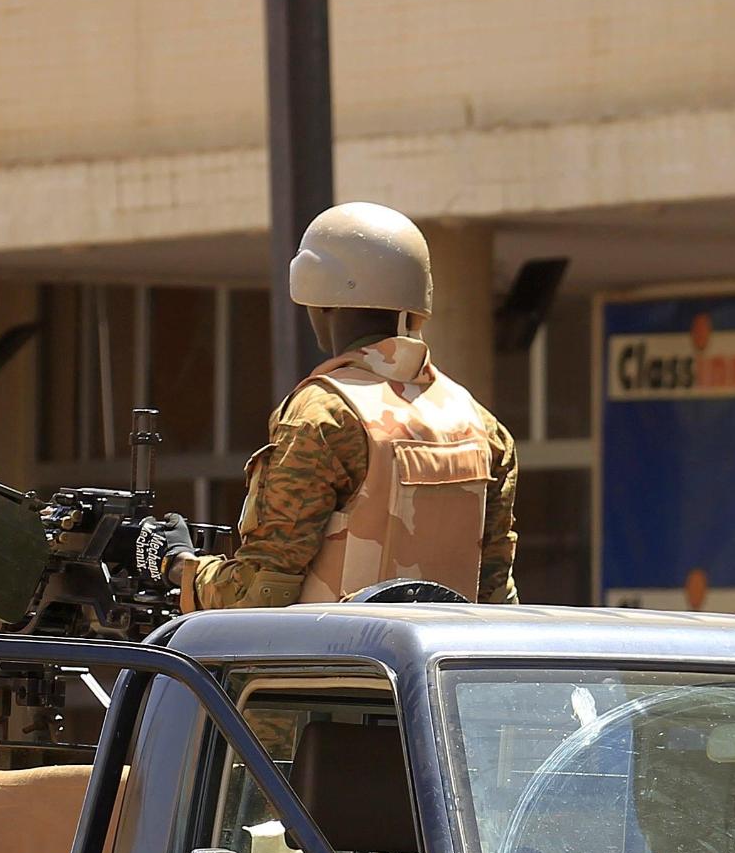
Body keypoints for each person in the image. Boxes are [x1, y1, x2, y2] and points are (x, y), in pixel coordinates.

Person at [158, 202, 519, 611]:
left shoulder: (325, 414)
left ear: (319, 300)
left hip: (329, 671)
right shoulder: (480, 425)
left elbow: (261, 592)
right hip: (438, 670)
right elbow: (496, 597)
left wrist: (178, 565)